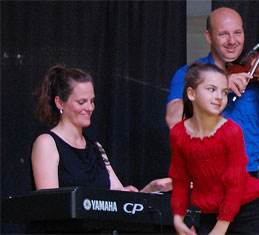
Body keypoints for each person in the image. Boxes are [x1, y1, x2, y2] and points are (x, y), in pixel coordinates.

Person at [166, 7, 259, 176]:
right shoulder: (189, 74)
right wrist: (220, 87)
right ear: (209, 37)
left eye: (237, 33)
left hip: (247, 175)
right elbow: (173, 120)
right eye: (223, 34)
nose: (232, 41)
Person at [32, 64, 172, 192]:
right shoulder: (47, 143)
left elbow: (118, 200)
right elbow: (48, 203)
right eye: (81, 102)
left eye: (92, 101)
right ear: (60, 103)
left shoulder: (95, 148)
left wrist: (152, 188)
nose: (89, 108)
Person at [168, 62, 259, 235]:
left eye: (224, 91)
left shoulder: (231, 131)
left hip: (245, 214)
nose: (220, 97)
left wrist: (220, 229)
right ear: (191, 93)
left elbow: (236, 185)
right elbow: (180, 178)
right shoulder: (179, 133)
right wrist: (178, 217)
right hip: (210, 215)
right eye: (212, 89)